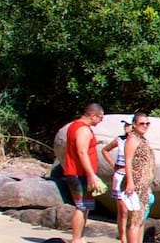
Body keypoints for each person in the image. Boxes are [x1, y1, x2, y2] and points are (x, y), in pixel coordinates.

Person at [61, 104, 107, 243]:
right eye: (100, 117)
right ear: (92, 115)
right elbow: (81, 152)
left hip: (80, 173)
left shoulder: (75, 126)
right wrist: (91, 174)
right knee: (81, 207)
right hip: (79, 173)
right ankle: (76, 239)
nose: (101, 121)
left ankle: (80, 237)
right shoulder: (83, 129)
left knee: (86, 206)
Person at [123, 114, 157, 243]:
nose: (145, 126)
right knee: (134, 220)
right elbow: (128, 160)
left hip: (144, 185)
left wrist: (148, 186)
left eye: (147, 123)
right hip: (135, 184)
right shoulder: (132, 139)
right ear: (135, 125)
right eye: (142, 123)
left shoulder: (143, 140)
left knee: (141, 218)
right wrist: (130, 182)